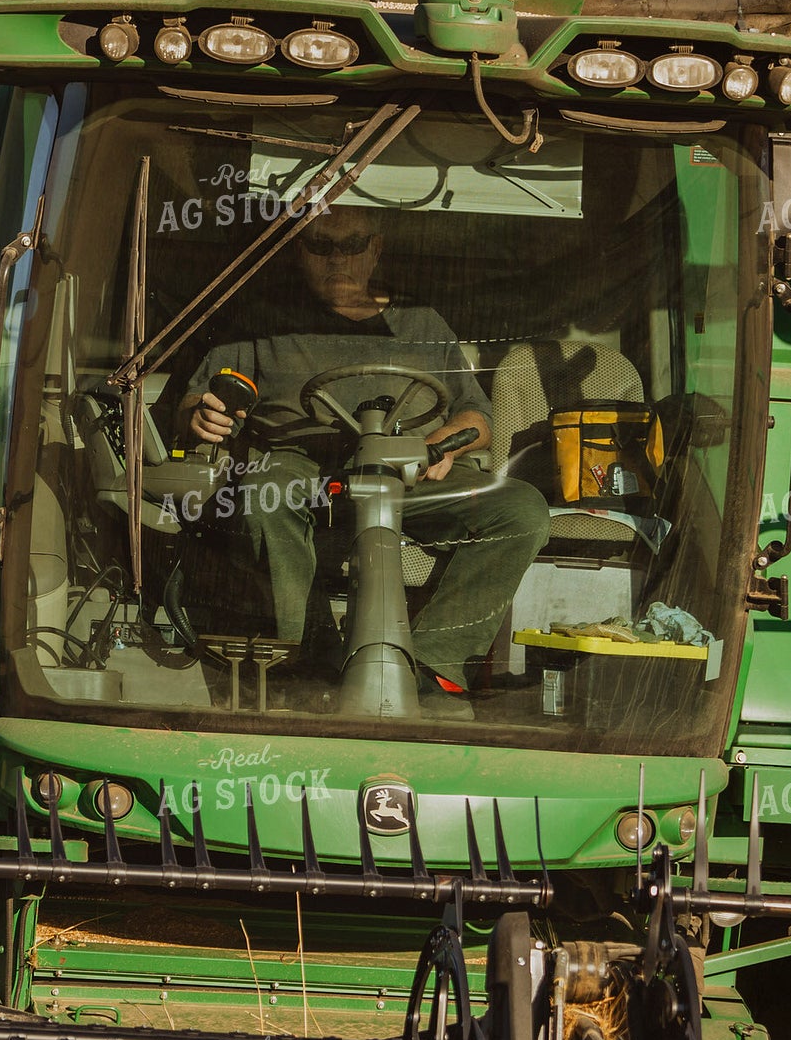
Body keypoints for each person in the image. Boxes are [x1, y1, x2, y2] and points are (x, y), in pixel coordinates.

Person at [176, 206, 550, 696]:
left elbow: (477, 418)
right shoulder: (263, 321)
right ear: (298, 251)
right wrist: (201, 415)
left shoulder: (421, 321)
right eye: (320, 245)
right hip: (302, 468)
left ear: (375, 250)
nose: (338, 259)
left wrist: (437, 446)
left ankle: (434, 662)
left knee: (520, 509)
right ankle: (302, 658)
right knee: (265, 492)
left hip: (406, 468)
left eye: (352, 245)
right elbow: (196, 399)